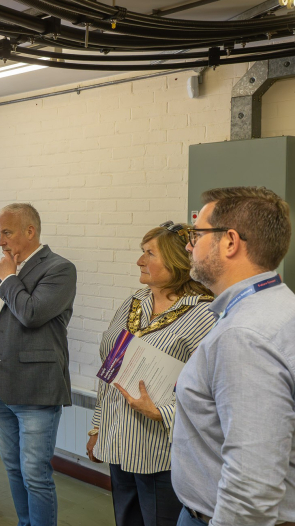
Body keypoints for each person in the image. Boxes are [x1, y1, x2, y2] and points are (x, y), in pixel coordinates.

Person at [173, 186, 295, 526]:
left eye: (196, 235)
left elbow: (251, 484)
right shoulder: (278, 306)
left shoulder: (245, 335)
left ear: (230, 241)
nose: (188, 245)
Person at [86, 222, 216, 526]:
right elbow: (111, 369)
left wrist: (162, 413)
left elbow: (211, 391)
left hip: (161, 453)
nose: (140, 261)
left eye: (149, 254)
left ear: (177, 261)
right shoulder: (135, 302)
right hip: (119, 440)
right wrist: (97, 429)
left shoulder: (204, 314)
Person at [0, 203, 77, 526]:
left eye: (7, 233)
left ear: (30, 231)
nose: (1, 242)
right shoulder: (3, 269)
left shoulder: (59, 269)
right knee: (13, 467)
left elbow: (32, 313)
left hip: (36, 389)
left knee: (36, 474)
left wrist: (9, 277)